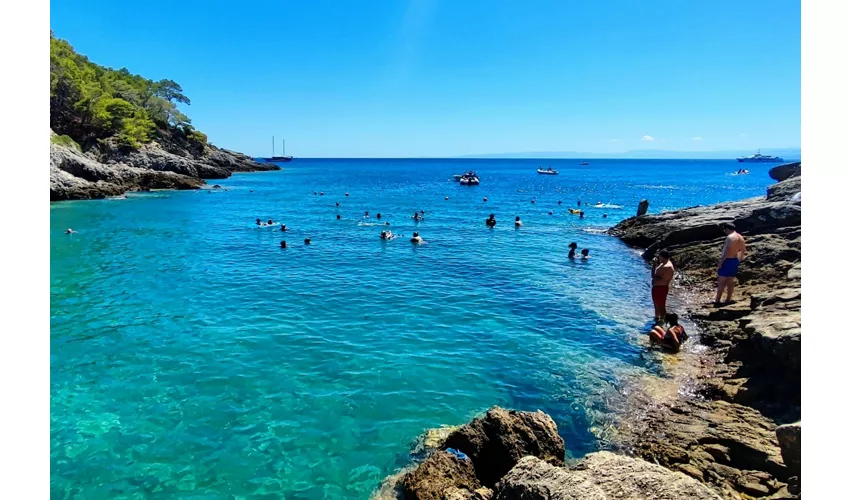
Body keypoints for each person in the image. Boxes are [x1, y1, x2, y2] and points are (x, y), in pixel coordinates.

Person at [714, 222, 746, 306]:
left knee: (721, 282)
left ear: (727, 229)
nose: (724, 231)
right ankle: (728, 299)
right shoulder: (740, 237)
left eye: (725, 230)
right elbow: (743, 250)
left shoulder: (730, 237)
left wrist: (721, 262)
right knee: (730, 281)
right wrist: (739, 259)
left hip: (727, 260)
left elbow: (727, 251)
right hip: (734, 260)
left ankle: (717, 301)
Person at [651, 249, 675, 322]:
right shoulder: (665, 263)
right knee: (657, 305)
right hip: (659, 287)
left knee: (661, 306)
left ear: (662, 257)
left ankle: (662, 321)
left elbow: (653, 276)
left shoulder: (666, 267)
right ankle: (657, 319)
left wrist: (654, 265)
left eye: (659, 257)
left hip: (660, 288)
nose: (658, 258)